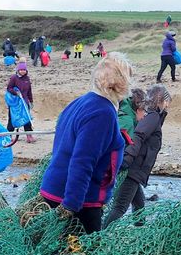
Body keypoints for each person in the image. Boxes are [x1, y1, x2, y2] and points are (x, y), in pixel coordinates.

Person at [38, 53, 132, 234]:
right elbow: (82, 161)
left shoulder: (79, 102)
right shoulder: (102, 112)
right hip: (78, 201)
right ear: (121, 81)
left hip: (56, 190)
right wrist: (70, 205)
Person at [105, 84, 169, 227]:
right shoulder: (152, 117)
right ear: (161, 100)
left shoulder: (154, 117)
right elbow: (138, 137)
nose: (168, 105)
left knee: (139, 205)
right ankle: (97, 238)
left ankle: (139, 233)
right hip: (133, 168)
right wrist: (126, 159)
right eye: (166, 101)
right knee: (120, 207)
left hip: (136, 169)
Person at [6, 61, 36, 143]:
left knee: (27, 118)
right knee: (12, 119)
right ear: (18, 70)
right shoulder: (14, 78)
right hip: (15, 103)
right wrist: (16, 93)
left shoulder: (27, 79)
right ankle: (9, 135)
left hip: (25, 102)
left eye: (24, 70)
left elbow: (29, 91)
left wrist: (31, 101)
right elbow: (9, 88)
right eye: (21, 70)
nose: (23, 71)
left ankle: (29, 136)